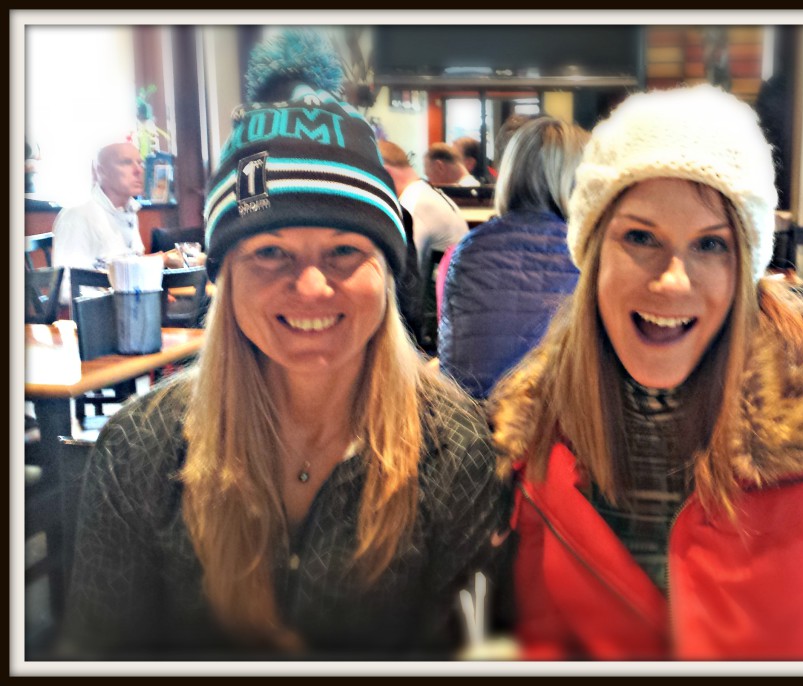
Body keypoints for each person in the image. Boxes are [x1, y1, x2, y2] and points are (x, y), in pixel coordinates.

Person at [61, 29, 510, 660]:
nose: (311, 286)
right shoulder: (139, 449)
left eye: (344, 251)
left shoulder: (454, 447)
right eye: (269, 252)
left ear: (388, 274)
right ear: (224, 279)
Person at [489, 85, 803, 660]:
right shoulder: (533, 433)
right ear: (592, 252)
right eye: (640, 237)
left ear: (748, 267)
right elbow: (544, 642)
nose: (672, 281)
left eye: (711, 244)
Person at [438, 117, 588, 400]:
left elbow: (453, 358)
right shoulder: (586, 254)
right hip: (553, 430)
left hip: (469, 429)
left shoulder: (468, 249)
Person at [52, 141, 186, 304]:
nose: (138, 170)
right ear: (101, 171)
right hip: (95, 318)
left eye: (140, 163)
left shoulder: (129, 210)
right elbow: (66, 290)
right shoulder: (77, 216)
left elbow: (127, 271)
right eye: (126, 163)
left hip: (131, 309)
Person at [379, 139, 469, 281]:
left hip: (439, 299)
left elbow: (403, 274)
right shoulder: (424, 194)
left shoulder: (413, 205)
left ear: (385, 173)